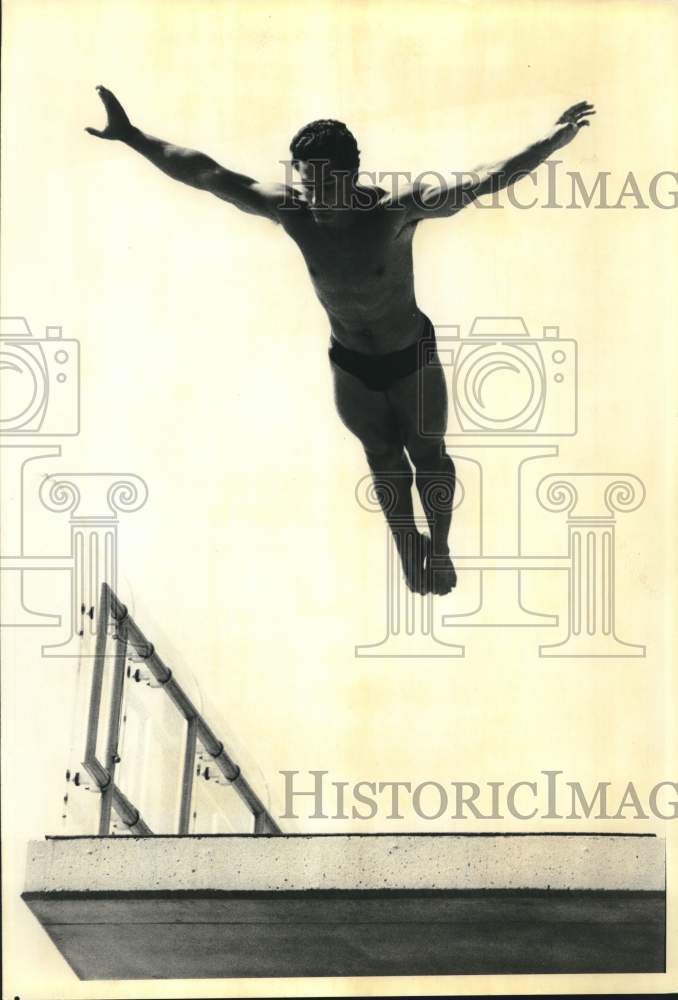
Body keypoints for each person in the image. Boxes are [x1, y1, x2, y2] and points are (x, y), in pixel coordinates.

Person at [87, 87, 595, 595]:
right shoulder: (292, 211)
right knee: (382, 457)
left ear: (348, 175)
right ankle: (407, 546)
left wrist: (554, 140)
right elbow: (207, 174)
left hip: (410, 355)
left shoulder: (396, 211)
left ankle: (437, 546)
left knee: (429, 456)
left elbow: (485, 179)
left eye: (319, 185)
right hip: (350, 362)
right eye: (301, 181)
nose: (309, 195)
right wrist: (132, 136)